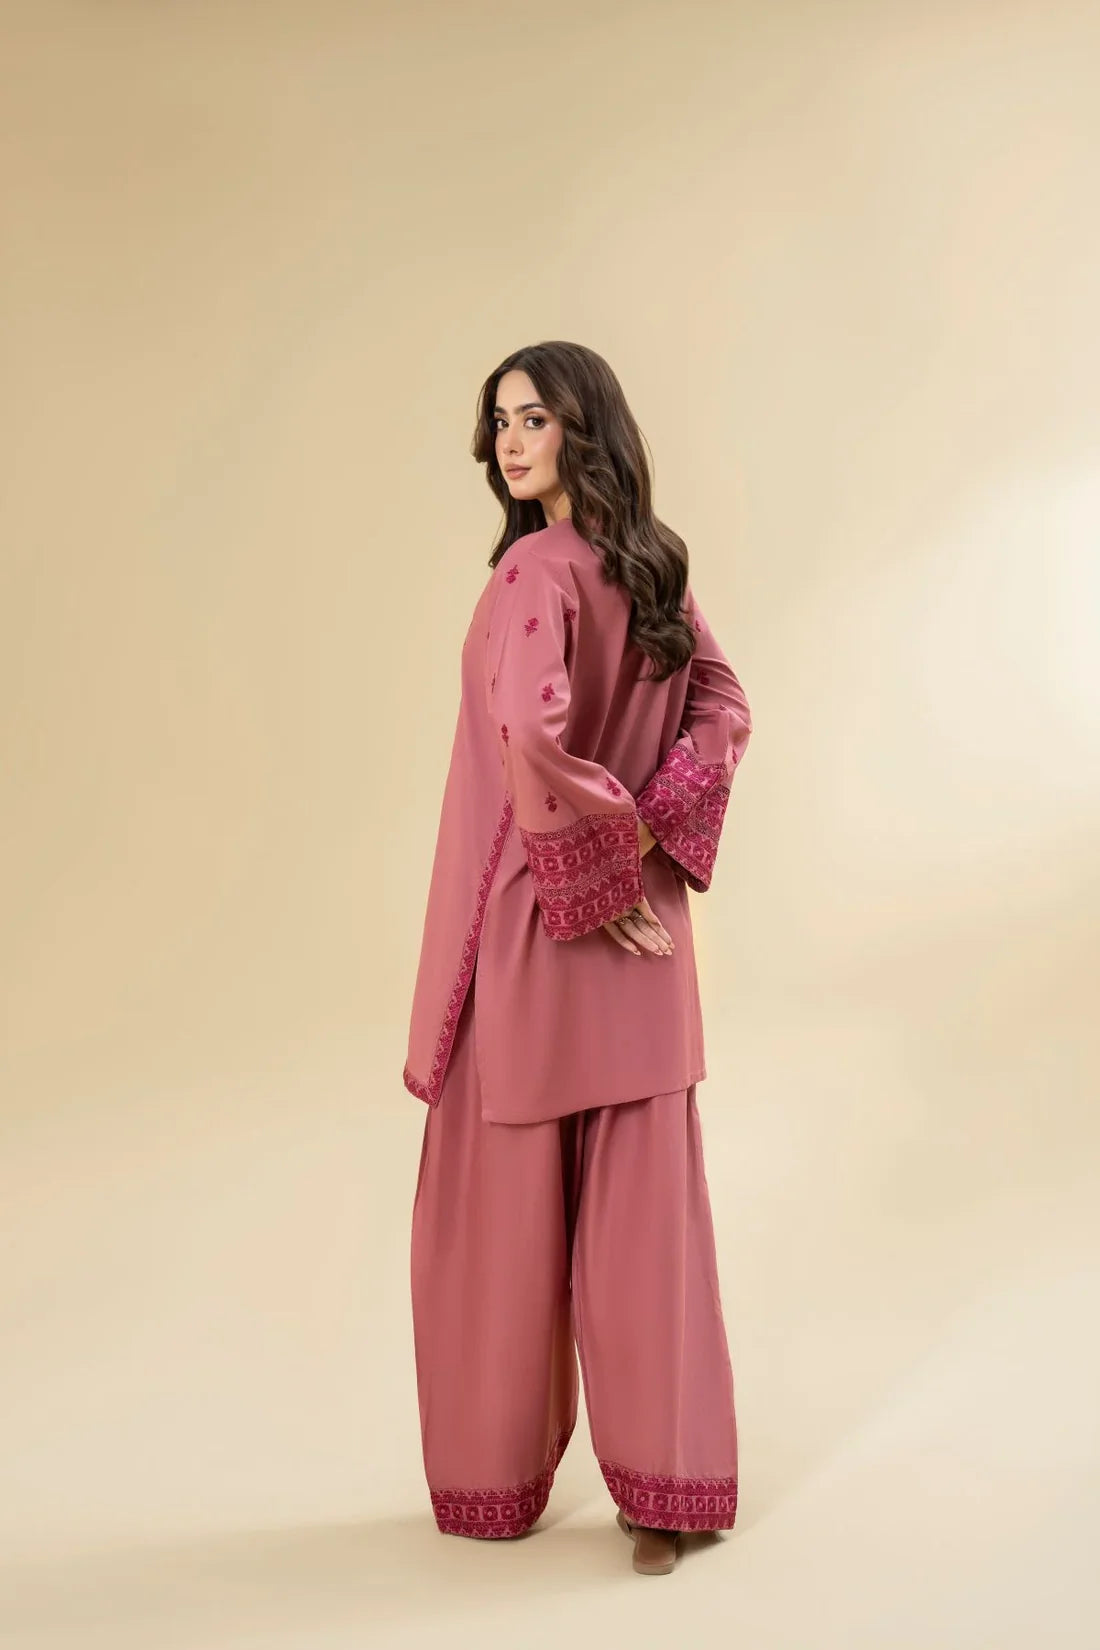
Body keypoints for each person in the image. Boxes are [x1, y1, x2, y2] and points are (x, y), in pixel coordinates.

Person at [403, 340, 753, 1576]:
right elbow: (724, 709)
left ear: (581, 429)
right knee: (647, 1220)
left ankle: (491, 1488)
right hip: (642, 934)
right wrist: (641, 840)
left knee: (496, 1218)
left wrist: (590, 871)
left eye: (534, 418)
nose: (509, 442)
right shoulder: (656, 566)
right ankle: (668, 1497)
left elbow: (526, 736)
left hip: (532, 925)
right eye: (499, 421)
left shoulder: (535, 569)